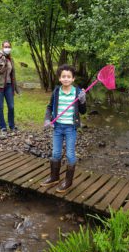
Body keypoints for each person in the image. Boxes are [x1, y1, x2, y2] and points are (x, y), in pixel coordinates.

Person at [40, 64, 86, 193]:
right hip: (58, 127)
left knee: (70, 154)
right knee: (55, 153)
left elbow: (83, 111)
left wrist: (82, 101)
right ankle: (54, 177)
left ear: (73, 79)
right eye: (63, 76)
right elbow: (49, 107)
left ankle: (68, 181)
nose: (66, 79)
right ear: (60, 79)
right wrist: (47, 119)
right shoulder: (56, 91)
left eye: (69, 77)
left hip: (71, 128)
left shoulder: (77, 92)